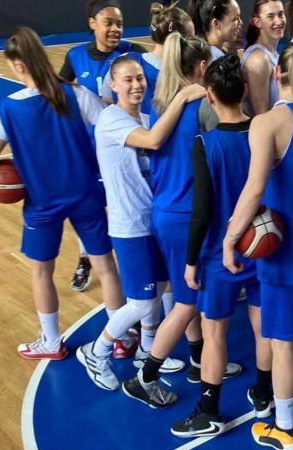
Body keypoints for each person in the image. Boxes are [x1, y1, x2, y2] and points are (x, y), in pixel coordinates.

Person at [0, 26, 124, 361]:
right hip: (86, 195)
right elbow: (112, 129)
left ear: (19, 65)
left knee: (41, 272)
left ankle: (51, 342)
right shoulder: (76, 94)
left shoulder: (7, 109)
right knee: (106, 267)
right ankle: (121, 339)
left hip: (42, 204)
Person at [120, 32, 242, 409]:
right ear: (203, 67)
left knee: (188, 293)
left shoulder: (163, 104)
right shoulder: (203, 106)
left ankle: (199, 360)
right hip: (187, 214)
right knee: (187, 302)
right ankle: (145, 376)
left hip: (167, 210)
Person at [77, 56, 206, 391]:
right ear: (113, 85)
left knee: (160, 289)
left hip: (152, 221)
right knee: (142, 302)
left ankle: (147, 351)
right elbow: (153, 142)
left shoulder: (147, 119)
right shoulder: (111, 119)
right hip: (129, 225)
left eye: (139, 78)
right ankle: (96, 352)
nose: (136, 85)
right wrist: (182, 96)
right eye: (128, 80)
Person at [224, 43, 293, 449]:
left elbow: (254, 190)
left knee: (283, 345)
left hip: (284, 255)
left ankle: (283, 427)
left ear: (275, 74)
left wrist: (230, 238)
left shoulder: (266, 123)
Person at [170, 54, 265, 438]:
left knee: (214, 334)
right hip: (263, 247)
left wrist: (191, 260)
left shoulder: (205, 144)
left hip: (217, 254)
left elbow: (202, 209)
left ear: (209, 97)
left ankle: (208, 411)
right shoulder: (264, 131)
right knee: (263, 328)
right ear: (245, 89)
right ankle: (265, 393)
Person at [59, 0, 148, 293]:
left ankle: (136, 260)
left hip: (125, 148)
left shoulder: (132, 53)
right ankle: (86, 256)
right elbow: (58, 94)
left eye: (119, 23)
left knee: (127, 206)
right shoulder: (75, 56)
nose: (115, 29)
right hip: (89, 151)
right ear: (92, 23)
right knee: (90, 210)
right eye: (108, 22)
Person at [100, 2, 195, 112]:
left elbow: (107, 99)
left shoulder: (123, 61)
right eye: (191, 39)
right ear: (177, 40)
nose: (194, 44)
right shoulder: (185, 74)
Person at [242, 0, 286, 116]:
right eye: (270, 16)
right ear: (258, 22)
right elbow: (261, 117)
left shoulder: (274, 55)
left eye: (280, 14)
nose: (278, 21)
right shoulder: (258, 60)